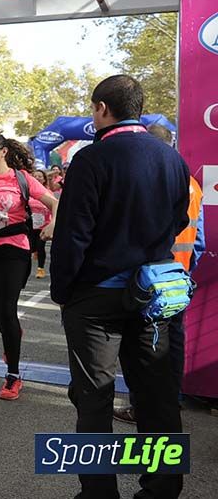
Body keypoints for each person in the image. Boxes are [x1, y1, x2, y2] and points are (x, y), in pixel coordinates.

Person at [51, 75, 188, 499]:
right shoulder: (172, 159)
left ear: (101, 109)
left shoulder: (92, 159)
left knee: (94, 398)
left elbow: (73, 234)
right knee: (158, 398)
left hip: (97, 297)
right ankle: (162, 490)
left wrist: (63, 290)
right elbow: (180, 219)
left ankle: (97, 492)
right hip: (157, 293)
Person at [113, 122, 205, 427]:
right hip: (179, 280)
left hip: (149, 278)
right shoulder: (192, 183)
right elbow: (200, 240)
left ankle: (143, 408)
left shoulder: (153, 179)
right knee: (174, 344)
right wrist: (187, 270)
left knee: (143, 350)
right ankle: (172, 401)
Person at [0, 133, 57, 400]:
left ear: (4, 151)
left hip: (14, 248)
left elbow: (54, 202)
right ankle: (12, 332)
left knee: (6, 308)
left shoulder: (21, 179)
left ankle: (13, 376)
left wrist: (52, 222)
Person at [29, 170, 52, 279]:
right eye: (35, 176)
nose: (37, 178)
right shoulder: (27, 191)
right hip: (30, 224)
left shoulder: (47, 193)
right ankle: (35, 252)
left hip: (43, 225)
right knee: (31, 247)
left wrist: (52, 223)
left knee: (40, 246)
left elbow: (53, 207)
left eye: (40, 176)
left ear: (44, 179)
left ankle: (40, 269)